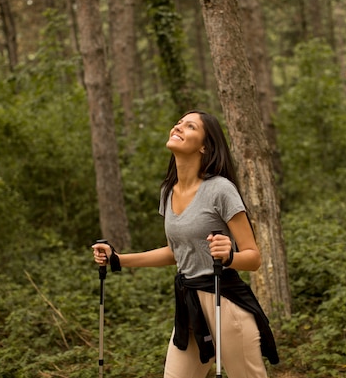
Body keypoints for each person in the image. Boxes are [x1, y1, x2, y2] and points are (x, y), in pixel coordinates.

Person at [92, 110, 278, 378]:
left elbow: (254, 257)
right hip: (189, 306)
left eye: (189, 126)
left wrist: (228, 257)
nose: (177, 127)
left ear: (204, 146)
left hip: (225, 303)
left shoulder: (220, 189)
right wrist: (118, 259)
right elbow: (174, 252)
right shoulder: (168, 190)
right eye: (178, 123)